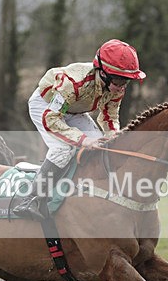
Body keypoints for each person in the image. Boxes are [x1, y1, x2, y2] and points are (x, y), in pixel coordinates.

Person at [12, 39, 146, 221]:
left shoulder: (116, 89)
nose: (122, 86)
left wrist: (114, 136)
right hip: (45, 108)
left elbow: (109, 116)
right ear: (103, 73)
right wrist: (83, 140)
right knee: (63, 149)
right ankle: (29, 199)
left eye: (127, 81)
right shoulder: (73, 83)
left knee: (102, 144)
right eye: (118, 79)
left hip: (74, 110)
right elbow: (52, 119)